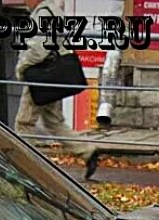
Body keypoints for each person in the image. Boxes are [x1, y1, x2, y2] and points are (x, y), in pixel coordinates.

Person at [15, 0, 99, 179]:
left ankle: (24, 166)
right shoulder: (54, 10)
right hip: (53, 75)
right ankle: (87, 151)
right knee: (54, 122)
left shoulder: (42, 13)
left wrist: (21, 68)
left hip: (40, 75)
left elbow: (38, 50)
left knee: (24, 123)